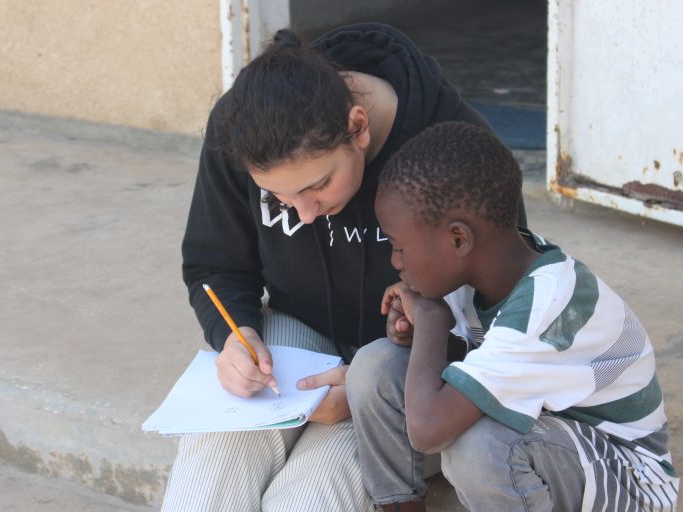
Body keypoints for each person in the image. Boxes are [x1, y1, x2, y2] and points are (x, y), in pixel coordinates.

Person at [166, 24, 527, 511]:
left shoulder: (457, 153)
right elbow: (216, 262)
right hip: (299, 330)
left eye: (317, 185)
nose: (303, 214)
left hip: (408, 369)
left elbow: (504, 326)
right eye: (277, 197)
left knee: (309, 497)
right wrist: (236, 334)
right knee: (216, 459)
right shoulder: (245, 131)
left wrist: (367, 389)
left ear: (358, 127)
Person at [364, 120, 679, 511]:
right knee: (376, 367)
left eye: (399, 247)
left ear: (458, 239)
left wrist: (429, 320)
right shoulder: (488, 266)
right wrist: (421, 331)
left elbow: (428, 431)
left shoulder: (547, 307)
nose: (394, 262)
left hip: (627, 477)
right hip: (550, 436)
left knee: (479, 448)